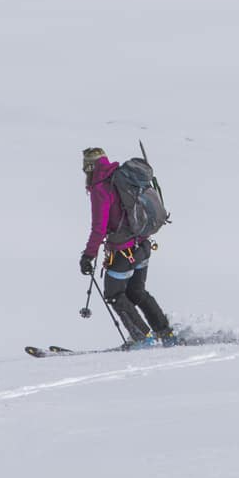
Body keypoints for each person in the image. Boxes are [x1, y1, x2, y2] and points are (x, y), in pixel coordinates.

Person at [79, 147, 174, 346]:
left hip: (123, 251)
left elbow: (99, 228)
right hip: (143, 244)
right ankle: (165, 333)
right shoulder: (123, 177)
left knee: (114, 294)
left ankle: (143, 339)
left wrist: (88, 256)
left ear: (89, 166)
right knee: (137, 292)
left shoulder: (101, 188)